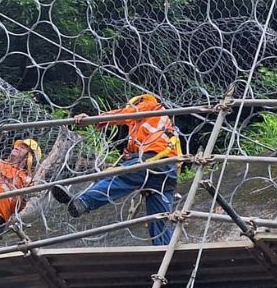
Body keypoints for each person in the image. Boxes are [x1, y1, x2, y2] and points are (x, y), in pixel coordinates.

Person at [51, 93, 182, 246]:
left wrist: (96, 119)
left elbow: (127, 114)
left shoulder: (149, 105)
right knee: (159, 217)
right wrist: (130, 154)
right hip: (167, 172)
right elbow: (138, 146)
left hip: (156, 160)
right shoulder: (146, 125)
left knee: (119, 175)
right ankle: (166, 250)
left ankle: (83, 202)